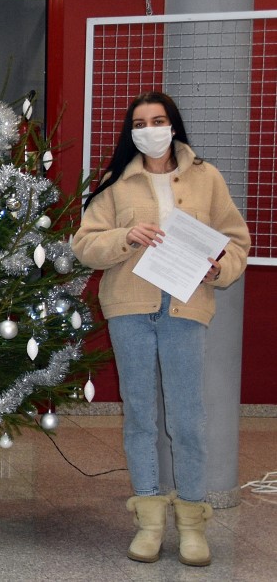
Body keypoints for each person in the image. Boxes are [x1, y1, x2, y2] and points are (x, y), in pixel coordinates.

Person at [73, 91, 249, 567]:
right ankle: (149, 523)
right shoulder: (115, 183)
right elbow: (84, 245)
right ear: (131, 132)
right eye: (139, 123)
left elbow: (236, 241)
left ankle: (192, 525)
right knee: (140, 418)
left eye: (157, 120)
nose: (149, 130)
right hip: (130, 307)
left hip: (186, 307)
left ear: (173, 125)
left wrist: (219, 268)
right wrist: (124, 236)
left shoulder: (207, 178)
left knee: (187, 419)